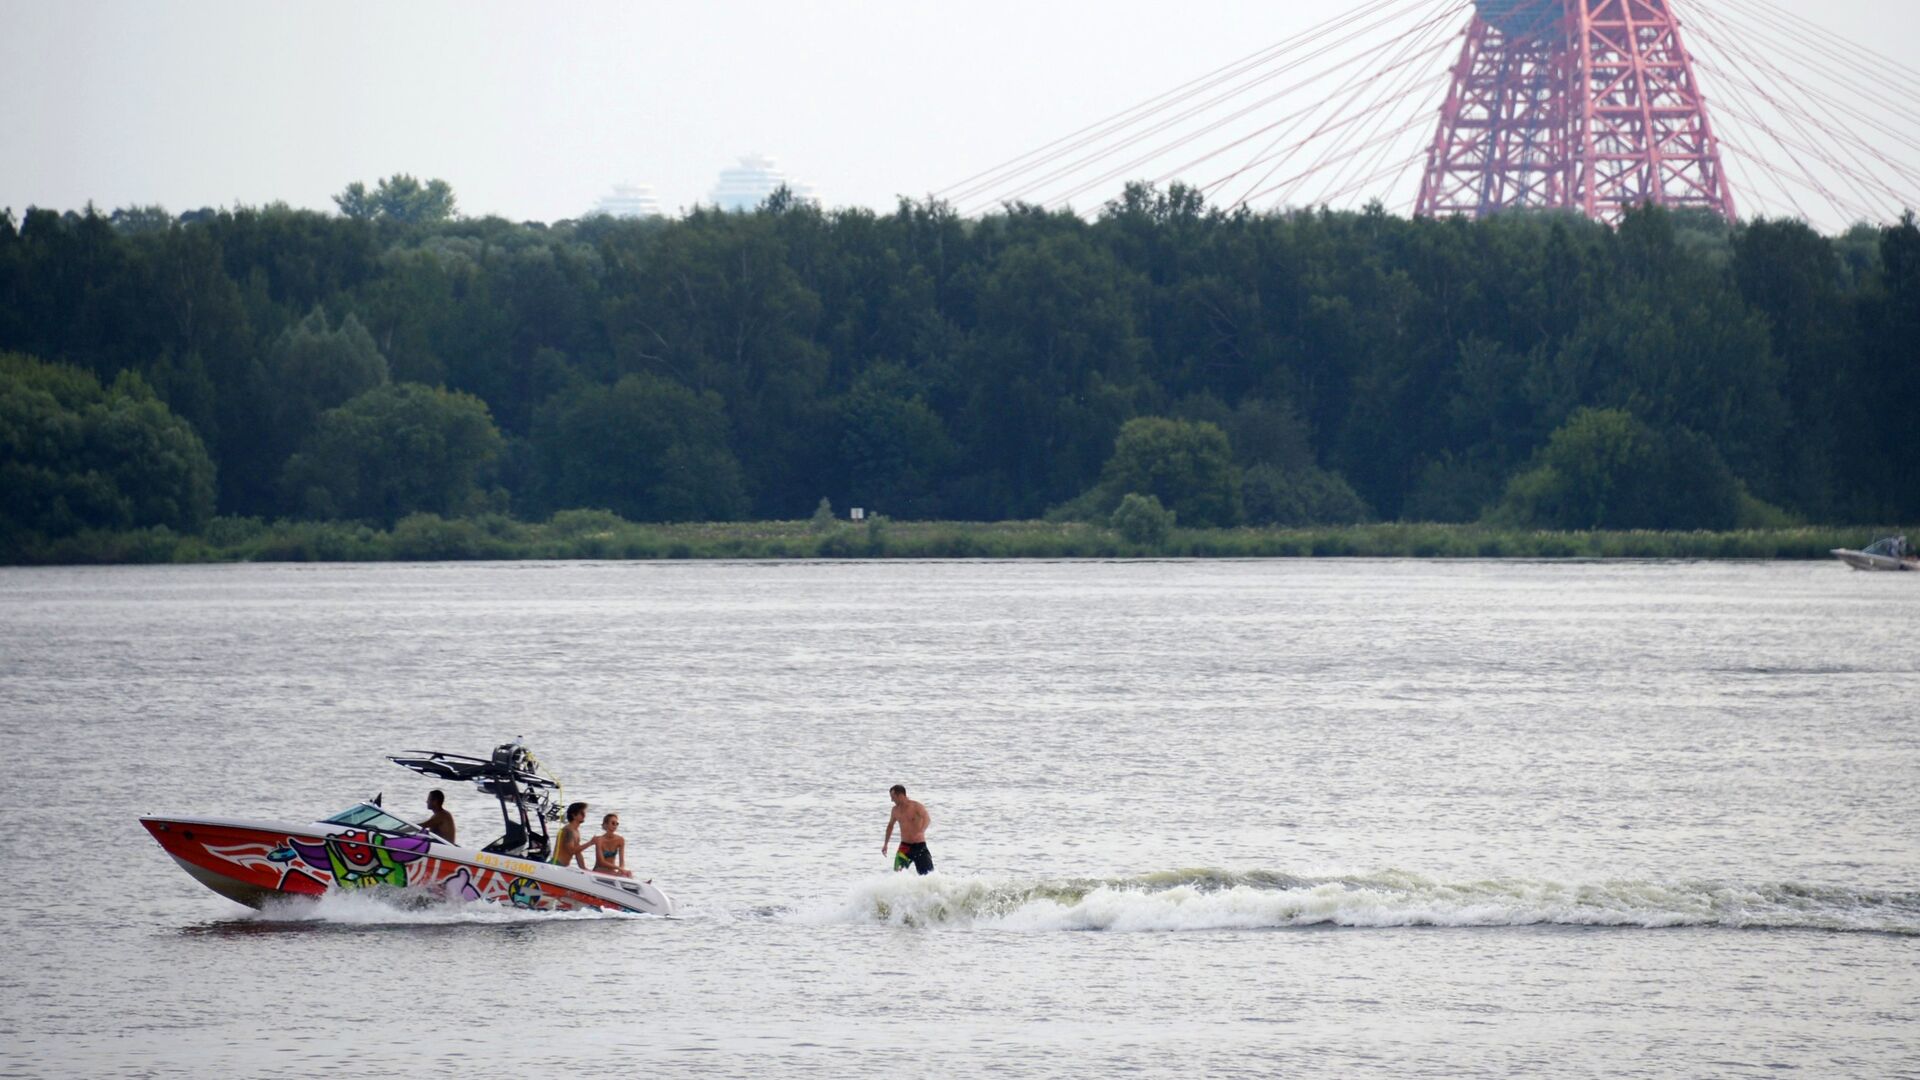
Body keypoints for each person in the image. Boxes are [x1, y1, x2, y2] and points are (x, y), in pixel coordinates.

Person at [882, 784, 933, 875]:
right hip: (904, 847)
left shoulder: (916, 806)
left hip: (919, 846)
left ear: (900, 795)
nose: (891, 800)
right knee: (897, 875)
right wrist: (886, 844)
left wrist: (921, 831)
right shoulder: (895, 810)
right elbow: (890, 826)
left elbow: (927, 819)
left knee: (928, 875)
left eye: (893, 797)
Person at [592, 812, 633, 878]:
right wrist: (619, 868)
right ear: (606, 824)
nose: (615, 825)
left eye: (617, 824)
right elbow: (601, 862)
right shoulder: (599, 840)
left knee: (628, 873)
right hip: (599, 871)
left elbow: (621, 861)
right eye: (613, 823)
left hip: (612, 872)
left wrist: (621, 870)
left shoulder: (620, 840)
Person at [552, 801, 590, 869]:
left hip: (563, 867)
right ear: (574, 815)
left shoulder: (576, 831)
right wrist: (590, 843)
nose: (584, 815)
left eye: (584, 813)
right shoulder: (567, 830)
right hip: (557, 865)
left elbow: (578, 853)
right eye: (582, 813)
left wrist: (584, 868)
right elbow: (571, 851)